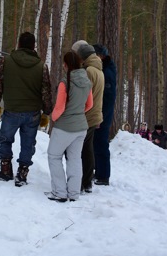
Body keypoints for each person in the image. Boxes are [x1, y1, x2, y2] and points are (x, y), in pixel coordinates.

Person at [0, 32, 53, 187]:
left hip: (12, 110)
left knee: (5, 139)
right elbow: (46, 91)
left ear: (18, 44)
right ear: (33, 46)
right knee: (28, 144)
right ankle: (22, 174)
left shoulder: (6, 61)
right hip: (32, 113)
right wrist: (47, 112)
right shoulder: (41, 66)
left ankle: (5, 169)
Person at [45, 51, 93, 202]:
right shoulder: (87, 81)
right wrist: (77, 113)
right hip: (81, 127)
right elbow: (89, 104)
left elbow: (59, 108)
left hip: (64, 127)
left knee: (54, 156)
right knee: (75, 159)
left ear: (66, 64)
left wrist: (52, 117)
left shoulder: (65, 82)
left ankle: (59, 192)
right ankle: (73, 193)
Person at [71, 40, 104, 193]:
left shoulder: (89, 71)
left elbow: (83, 94)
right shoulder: (97, 69)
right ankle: (87, 182)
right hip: (94, 115)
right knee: (87, 149)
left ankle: (82, 182)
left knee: (79, 150)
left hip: (86, 115)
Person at [92, 43, 117, 186]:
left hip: (103, 114)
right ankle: (99, 172)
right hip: (101, 112)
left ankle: (103, 175)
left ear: (100, 56)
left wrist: (100, 115)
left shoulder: (107, 72)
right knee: (97, 143)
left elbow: (108, 96)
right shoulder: (104, 69)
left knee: (101, 143)